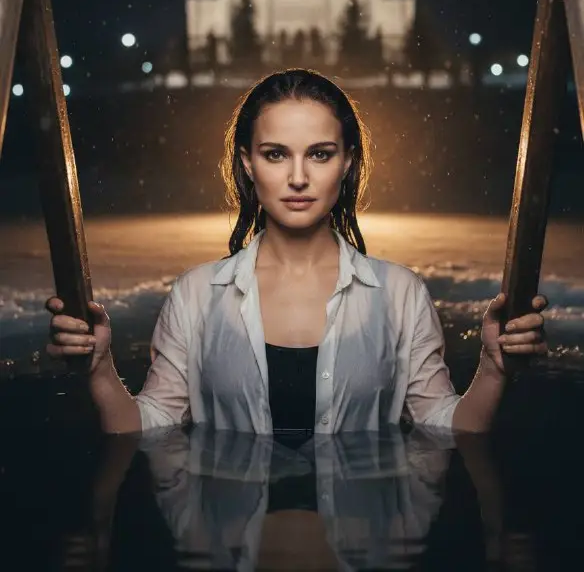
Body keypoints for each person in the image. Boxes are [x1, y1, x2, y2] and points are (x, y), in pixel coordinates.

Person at [45, 68, 548, 435]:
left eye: (320, 154)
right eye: (276, 154)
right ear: (247, 164)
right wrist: (101, 370)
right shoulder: (198, 294)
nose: (299, 177)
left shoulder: (400, 294)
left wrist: (492, 368)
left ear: (348, 163)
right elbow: (147, 427)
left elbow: (446, 429)